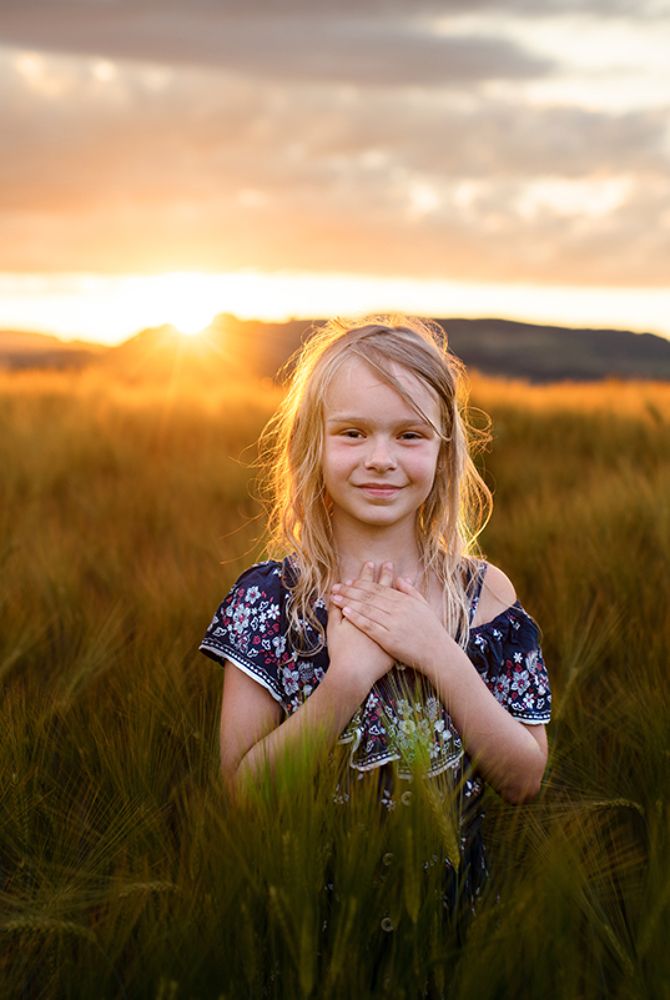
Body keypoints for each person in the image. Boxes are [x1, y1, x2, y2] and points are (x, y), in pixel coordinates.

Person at [199, 315, 551, 914]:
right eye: (353, 433)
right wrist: (347, 680)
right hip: (308, 929)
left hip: (449, 932)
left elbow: (524, 779)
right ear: (312, 444)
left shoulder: (485, 595)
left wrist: (437, 652)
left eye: (410, 434)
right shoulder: (268, 600)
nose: (381, 458)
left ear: (443, 450)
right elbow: (245, 794)